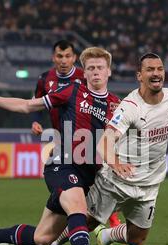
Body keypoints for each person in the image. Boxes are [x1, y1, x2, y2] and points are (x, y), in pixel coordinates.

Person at [27, 53, 168, 245]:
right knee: (86, 221)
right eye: (150, 69)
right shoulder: (130, 107)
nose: (156, 73)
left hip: (149, 183)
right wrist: (116, 164)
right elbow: (105, 142)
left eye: (159, 69)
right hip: (116, 179)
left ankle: (106, 237)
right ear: (140, 75)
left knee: (137, 240)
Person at [0, 47, 121, 245]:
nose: (95, 72)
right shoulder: (71, 91)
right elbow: (27, 105)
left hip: (88, 174)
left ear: (108, 71)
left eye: (100, 68)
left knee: (43, 237)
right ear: (84, 73)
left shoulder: (117, 106)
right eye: (90, 68)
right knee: (78, 207)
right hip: (62, 163)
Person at [32, 40, 121, 228]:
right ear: (53, 57)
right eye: (59, 56)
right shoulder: (44, 79)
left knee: (89, 191)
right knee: (72, 196)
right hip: (60, 138)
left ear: (74, 58)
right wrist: (37, 120)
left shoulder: (84, 77)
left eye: (67, 56)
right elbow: (35, 102)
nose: (63, 60)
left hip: (87, 143)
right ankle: (74, 227)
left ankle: (100, 219)